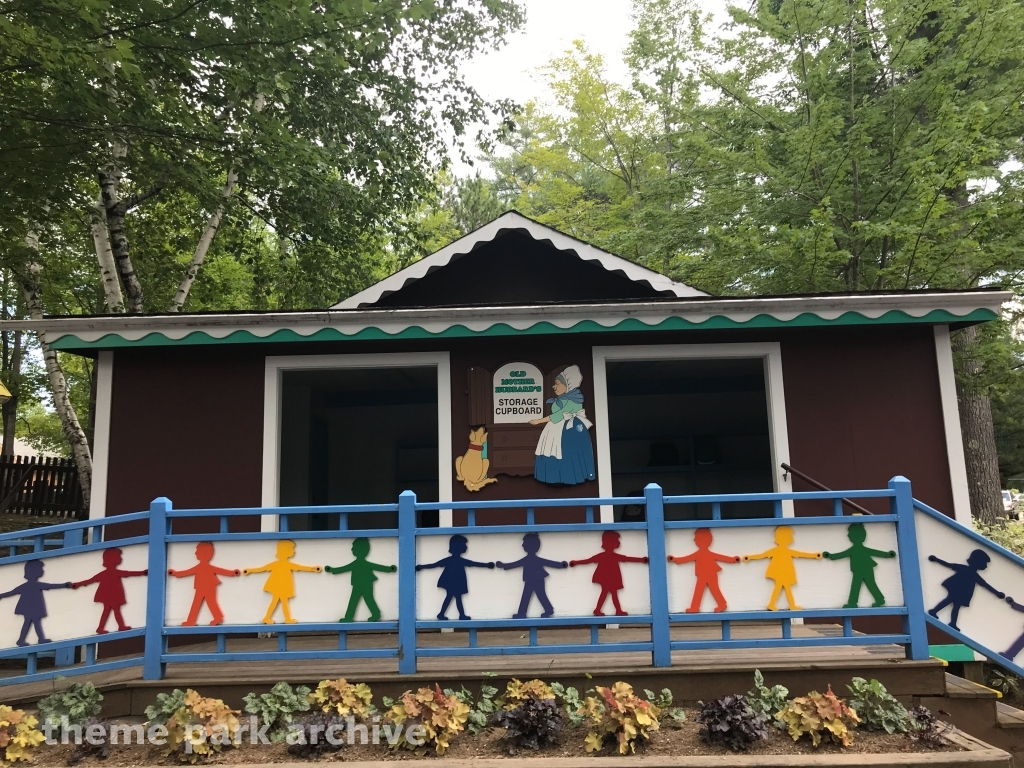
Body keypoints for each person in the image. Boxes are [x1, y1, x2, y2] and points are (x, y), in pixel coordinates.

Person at [531, 365, 596, 485]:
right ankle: (553, 476)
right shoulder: (562, 399)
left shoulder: (574, 399)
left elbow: (560, 415)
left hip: (569, 430)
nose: (554, 386)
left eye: (557, 384)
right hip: (555, 428)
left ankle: (569, 477)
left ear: (567, 385)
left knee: (567, 451)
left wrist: (538, 421)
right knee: (552, 450)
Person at [570, 531, 648, 616]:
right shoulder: (605, 556)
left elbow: (627, 558)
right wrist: (576, 562)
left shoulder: (610, 556)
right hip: (606, 578)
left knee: (608, 593)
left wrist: (641, 560)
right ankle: (613, 610)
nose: (619, 542)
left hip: (609, 578)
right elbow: (589, 560)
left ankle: (604, 610)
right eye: (617, 540)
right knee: (611, 593)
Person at [242, 540, 321, 624]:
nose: (294, 551)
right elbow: (262, 569)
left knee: (278, 601)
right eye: (292, 549)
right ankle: (282, 619)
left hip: (281, 586)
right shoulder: (282, 564)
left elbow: (300, 567)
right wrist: (250, 570)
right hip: (279, 586)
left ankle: (272, 618)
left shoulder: (283, 564)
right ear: (286, 551)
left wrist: (313, 569)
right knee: (281, 601)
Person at [742, 526, 821, 611]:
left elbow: (800, 554)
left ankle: (777, 604)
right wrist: (749, 557)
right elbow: (762, 555)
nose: (792, 537)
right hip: (780, 572)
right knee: (784, 587)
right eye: (790, 535)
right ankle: (786, 605)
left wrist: (814, 555)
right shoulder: (780, 551)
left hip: (783, 572)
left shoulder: (784, 551)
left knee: (782, 587)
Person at [416, 535, 494, 620]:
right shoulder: (457, 560)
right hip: (453, 582)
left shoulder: (454, 560)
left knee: (452, 597)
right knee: (455, 598)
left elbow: (435, 564)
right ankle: (458, 615)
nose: (466, 547)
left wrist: (422, 567)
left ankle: (446, 614)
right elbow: (435, 565)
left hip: (453, 582)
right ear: (458, 546)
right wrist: (422, 567)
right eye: (464, 544)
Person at [72, 548, 148, 634]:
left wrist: (78, 584)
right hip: (110, 595)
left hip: (110, 595)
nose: (121, 558)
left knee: (109, 610)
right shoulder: (113, 572)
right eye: (119, 556)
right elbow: (128, 573)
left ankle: (107, 627)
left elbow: (90, 580)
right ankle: (117, 626)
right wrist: (142, 572)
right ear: (114, 559)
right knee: (112, 610)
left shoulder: (107, 573)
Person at [927, 550, 1004, 631]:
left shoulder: (973, 574)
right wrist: (936, 559)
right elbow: (949, 565)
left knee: (955, 605)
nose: (986, 566)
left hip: (962, 591)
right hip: (957, 588)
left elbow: (985, 584)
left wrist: (997, 593)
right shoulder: (968, 571)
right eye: (985, 563)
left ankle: (951, 622)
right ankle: (935, 612)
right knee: (950, 601)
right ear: (978, 562)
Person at [822, 524, 896, 608]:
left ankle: (854, 603)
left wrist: (888, 554)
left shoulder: (855, 549)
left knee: (859, 585)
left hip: (863, 569)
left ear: (854, 536)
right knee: (865, 585)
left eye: (849, 533)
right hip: (861, 569)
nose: (848, 535)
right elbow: (842, 554)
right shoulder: (857, 549)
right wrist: (830, 556)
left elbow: (842, 554)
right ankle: (878, 600)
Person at [168, 542, 240, 626]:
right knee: (202, 602)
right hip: (202, 587)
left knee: (206, 602)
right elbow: (187, 572)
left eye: (197, 551)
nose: (195, 553)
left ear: (202, 553)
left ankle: (197, 620)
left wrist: (232, 573)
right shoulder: (201, 567)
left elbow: (220, 570)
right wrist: (176, 573)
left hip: (208, 586)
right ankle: (206, 618)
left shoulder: (203, 567)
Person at [0, 560, 71, 646]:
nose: (42, 571)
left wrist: (64, 585)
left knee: (30, 622)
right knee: (33, 622)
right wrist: (64, 585)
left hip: (30, 607)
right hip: (31, 607)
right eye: (41, 568)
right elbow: (50, 586)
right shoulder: (34, 585)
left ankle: (25, 640)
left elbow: (12, 592)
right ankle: (36, 639)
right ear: (34, 571)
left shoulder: (29, 585)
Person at [497, 533, 567, 619]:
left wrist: (560, 565)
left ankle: (524, 613)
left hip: (536, 579)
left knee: (532, 595)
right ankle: (545, 610)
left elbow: (548, 562)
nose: (522, 545)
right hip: (533, 579)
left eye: (524, 543)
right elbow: (515, 564)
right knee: (534, 595)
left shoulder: (530, 559)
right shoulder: (529, 559)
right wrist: (504, 565)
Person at [325, 538, 396, 622]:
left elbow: (377, 567)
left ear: (359, 550)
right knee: (362, 599)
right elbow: (344, 568)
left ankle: (352, 617)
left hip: (364, 583)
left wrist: (389, 569)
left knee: (359, 599)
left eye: (353, 547)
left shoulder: (359, 564)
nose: (351, 549)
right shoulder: (357, 563)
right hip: (361, 583)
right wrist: (332, 570)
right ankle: (373, 614)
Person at [668, 529, 739, 613]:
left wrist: (733, 559)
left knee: (705, 589)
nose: (694, 539)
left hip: (709, 573)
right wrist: (676, 559)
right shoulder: (703, 553)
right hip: (706, 573)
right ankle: (715, 604)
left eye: (695, 538)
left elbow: (687, 558)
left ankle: (698, 607)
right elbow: (720, 557)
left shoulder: (701, 553)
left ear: (699, 540)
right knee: (706, 589)